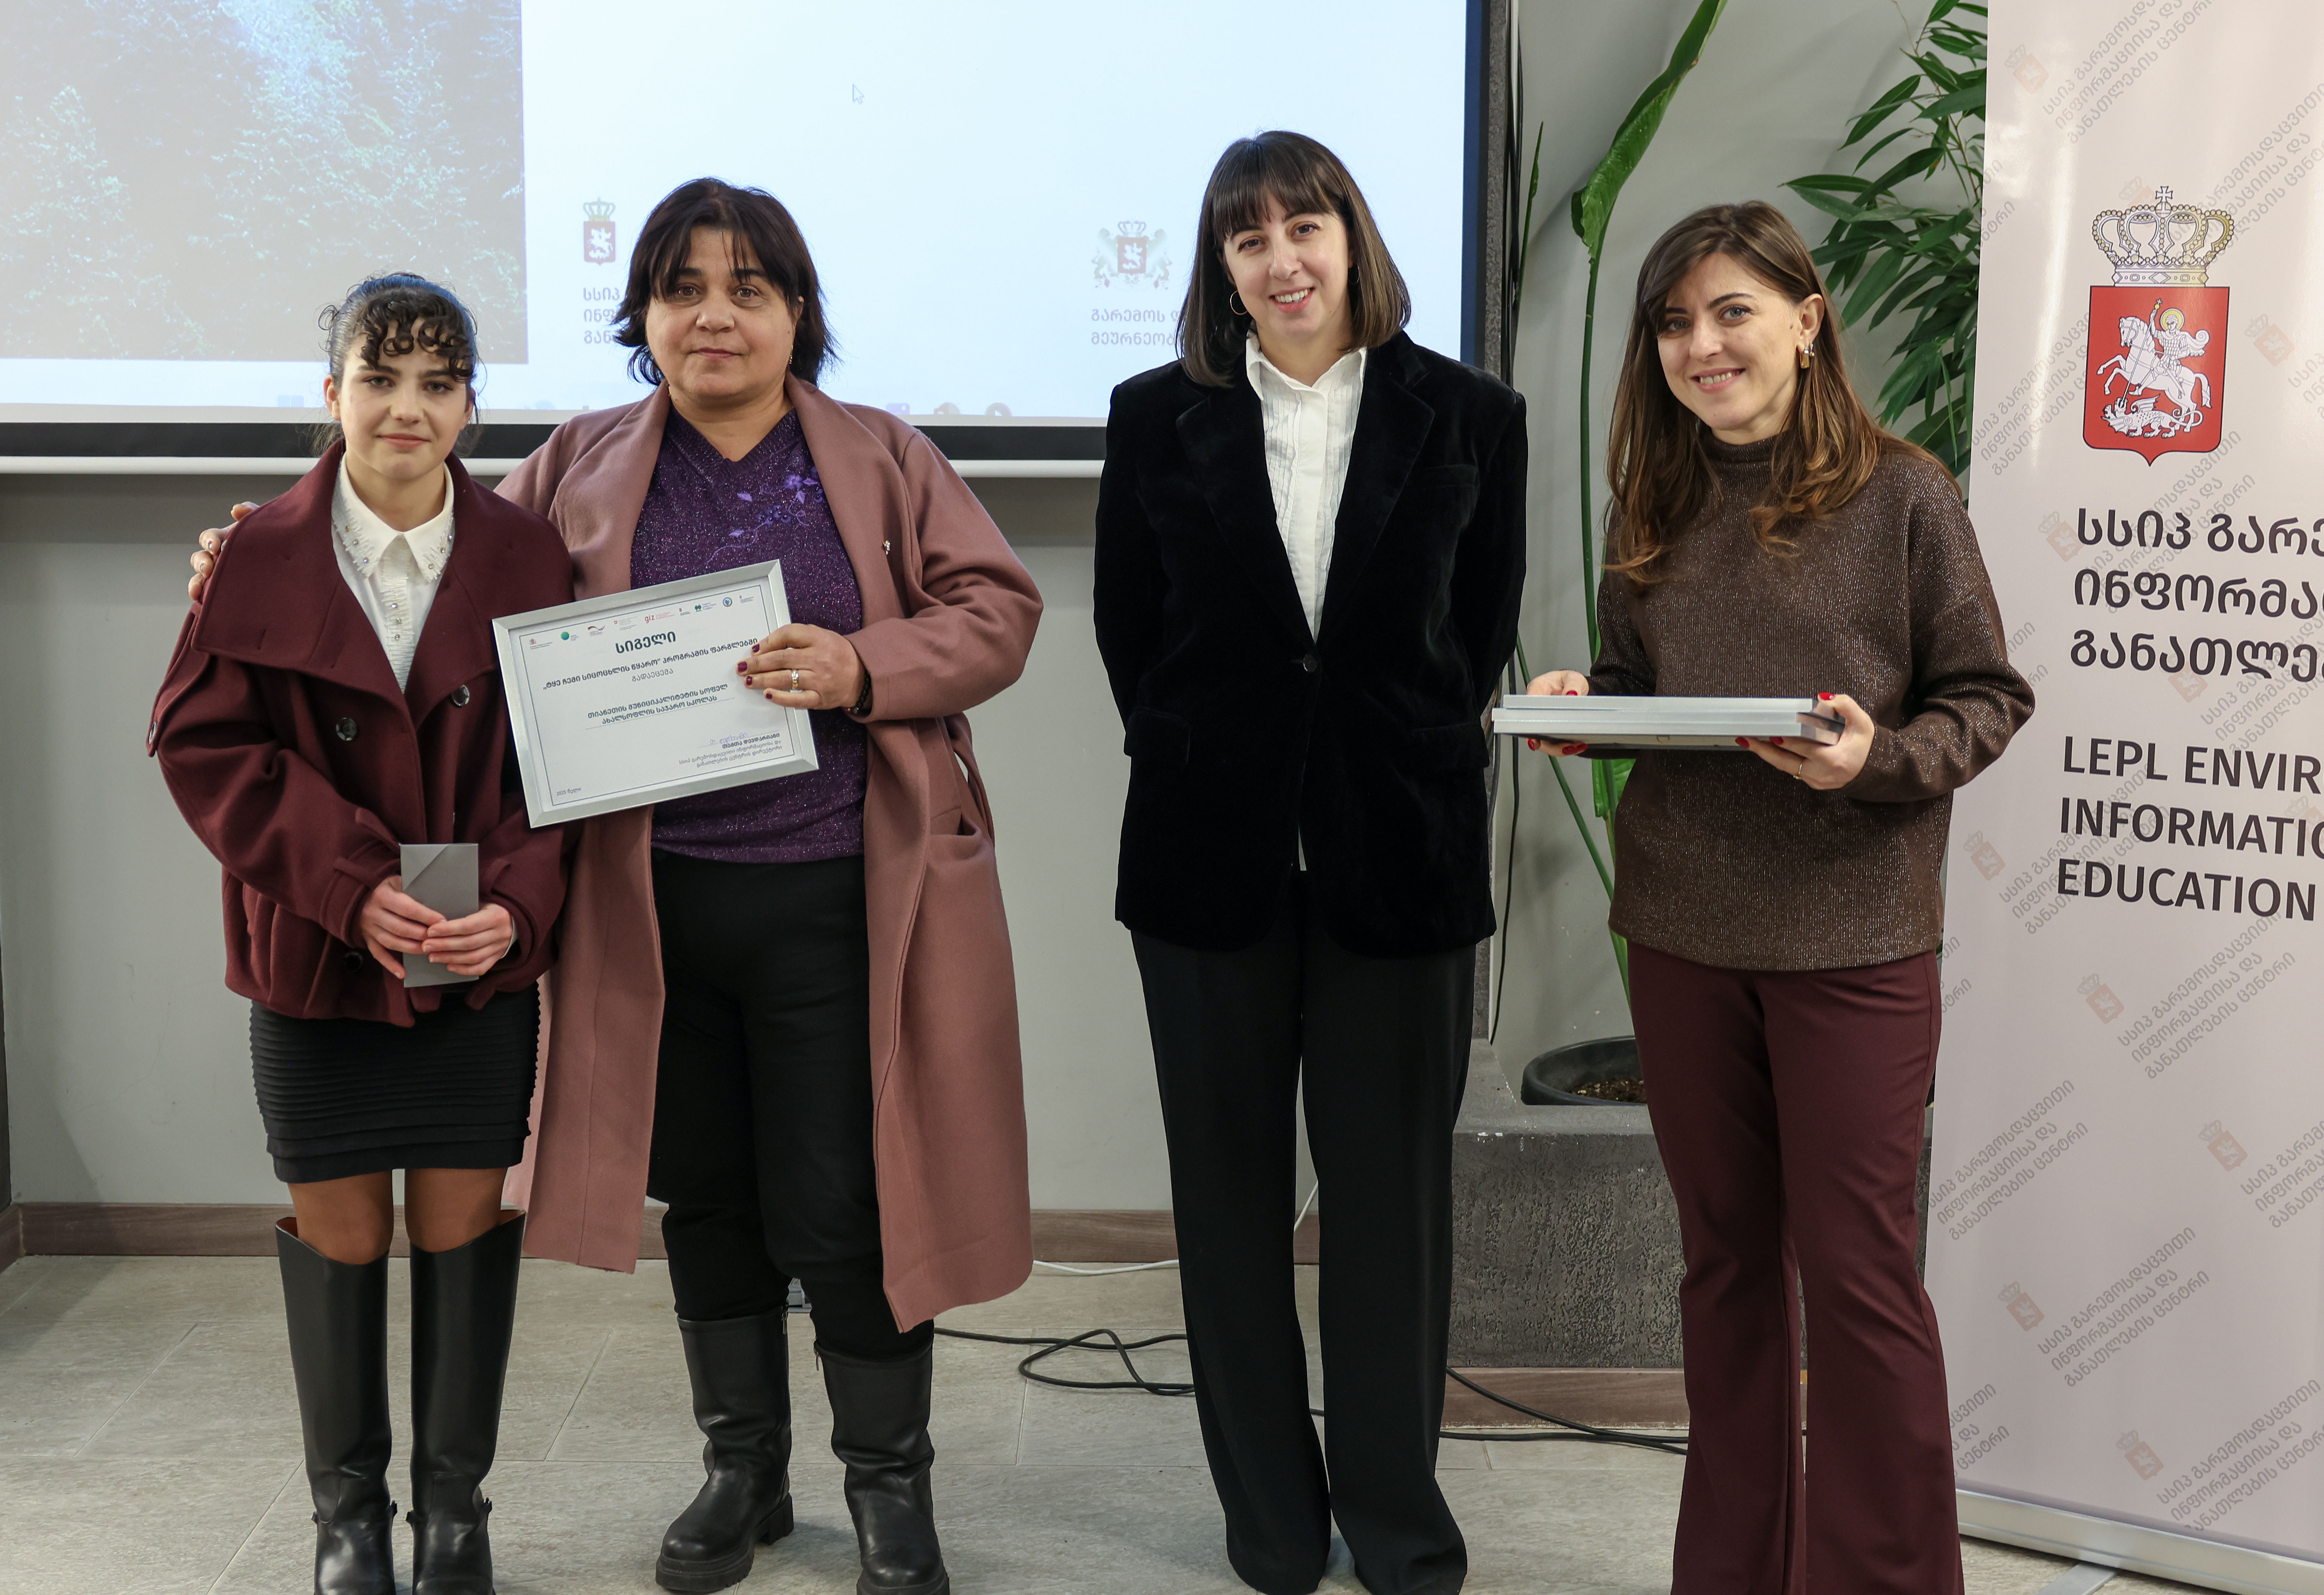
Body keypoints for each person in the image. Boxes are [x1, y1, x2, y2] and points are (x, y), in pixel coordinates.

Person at [192, 180, 1041, 1595]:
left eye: (749, 289)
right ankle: (743, 1470)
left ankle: (890, 1488)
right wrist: (263, 553)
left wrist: (864, 664)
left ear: (798, 315)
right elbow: (423, 552)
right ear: (643, 314)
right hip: (650, 907)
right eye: (681, 288)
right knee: (704, 1197)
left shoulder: (887, 454)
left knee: (848, 1203)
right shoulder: (578, 463)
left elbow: (998, 610)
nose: (713, 315)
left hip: (841, 894)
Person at [1526, 200, 2032, 1595]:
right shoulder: (1654, 500)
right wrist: (1584, 710)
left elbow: (1986, 698)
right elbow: (1645, 689)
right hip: (1683, 935)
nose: (1702, 344)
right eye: (1675, 322)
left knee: (1859, 1279)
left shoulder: (1908, 497)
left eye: (1732, 311)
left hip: (1853, 939)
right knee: (1724, 1269)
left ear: (1808, 323)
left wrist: (1880, 761)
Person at [1093, 131, 1527, 1595]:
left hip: (1397, 862)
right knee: (1226, 1210)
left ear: (1353, 237)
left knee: (1392, 1214)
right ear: (1221, 267)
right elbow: (1130, 630)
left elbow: (1475, 632)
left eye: (1305, 226)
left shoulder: (1470, 414)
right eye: (1248, 238)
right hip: (1206, 864)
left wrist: (1379, 753)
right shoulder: (1155, 416)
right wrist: (1217, 752)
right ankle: (1272, 1530)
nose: (1282, 260)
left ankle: (1398, 1527)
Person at [152, 274, 576, 1595]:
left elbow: (567, 769)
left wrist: (516, 904)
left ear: (470, 406)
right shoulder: (254, 556)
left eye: (437, 383)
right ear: (331, 393)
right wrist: (347, 884)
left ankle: (455, 1517)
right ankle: (347, 1522)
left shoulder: (529, 556)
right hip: (312, 960)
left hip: (475, 967)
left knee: (460, 1231)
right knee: (340, 1238)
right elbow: (202, 745)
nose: (407, 408)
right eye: (379, 379)